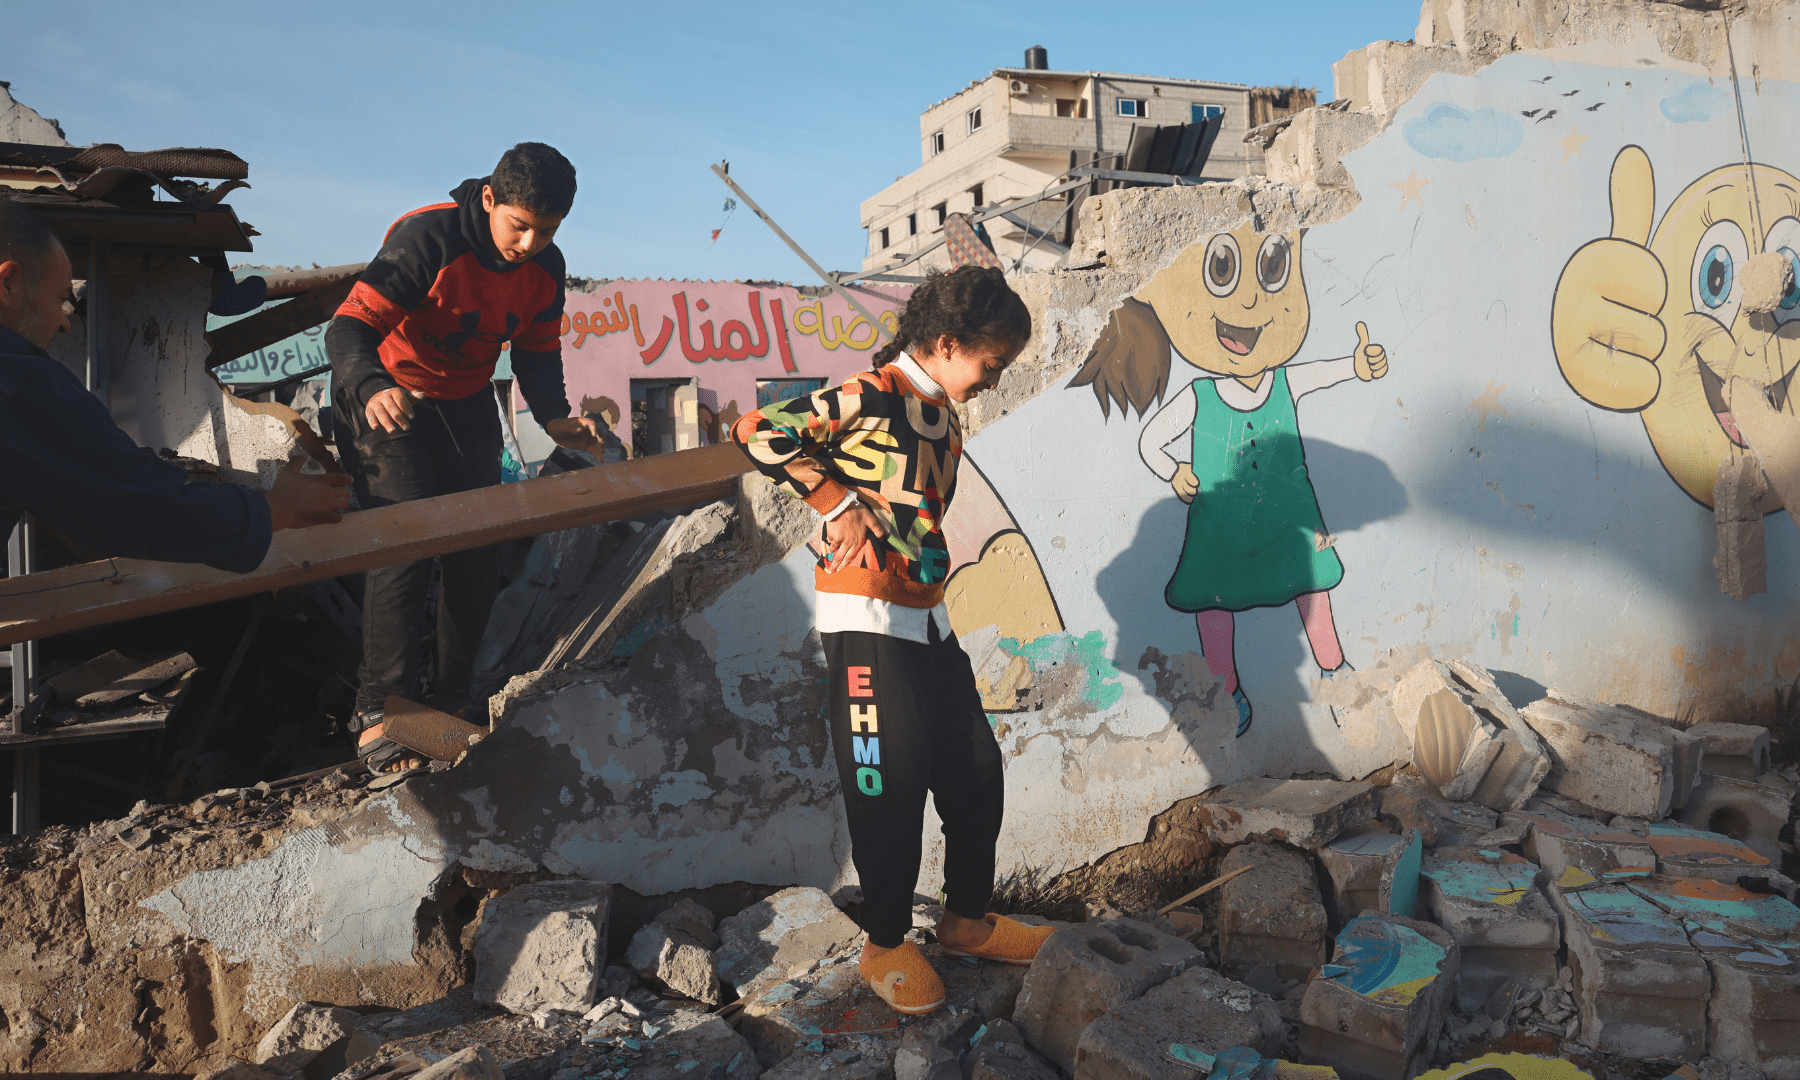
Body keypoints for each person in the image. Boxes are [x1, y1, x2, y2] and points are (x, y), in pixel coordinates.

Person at [730, 267, 1049, 1015]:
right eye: (991, 364)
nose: (995, 381)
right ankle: (885, 942)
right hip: (867, 621)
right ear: (946, 343)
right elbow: (756, 429)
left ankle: (966, 922)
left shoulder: (943, 409)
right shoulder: (874, 392)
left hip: (930, 621)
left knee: (976, 772)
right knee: (889, 786)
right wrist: (833, 502)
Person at [325, 143, 603, 770]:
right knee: (407, 540)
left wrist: (556, 414)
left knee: (476, 551)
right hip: (384, 395)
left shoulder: (545, 269)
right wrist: (372, 387)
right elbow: (346, 330)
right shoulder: (428, 236)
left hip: (465, 401)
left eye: (548, 231)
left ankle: (451, 708)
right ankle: (380, 714)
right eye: (520, 225)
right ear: (489, 199)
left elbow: (535, 352)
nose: (530, 243)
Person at [0, 200, 350, 571]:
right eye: (60, 301)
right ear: (8, 283)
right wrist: (276, 508)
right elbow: (129, 508)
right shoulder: (16, 380)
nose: (66, 324)